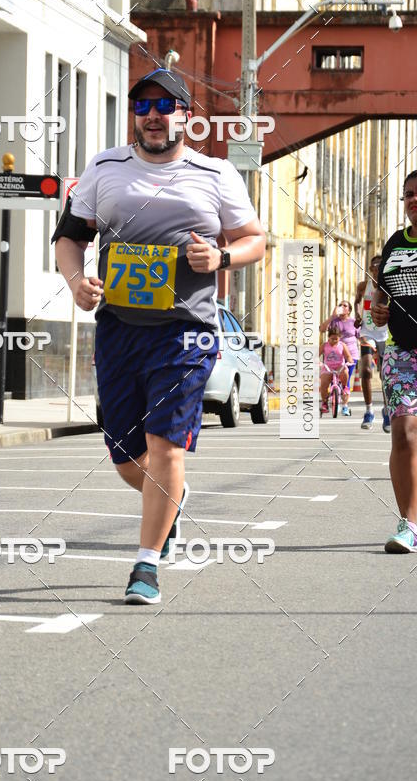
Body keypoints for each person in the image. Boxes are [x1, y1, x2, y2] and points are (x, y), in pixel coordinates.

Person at [52, 67, 266, 603]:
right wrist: (77, 281)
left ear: (185, 117)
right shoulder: (105, 168)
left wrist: (220, 256)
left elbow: (255, 239)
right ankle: (172, 498)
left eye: (166, 105)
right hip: (120, 329)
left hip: (187, 331)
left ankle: (146, 564)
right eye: (143, 106)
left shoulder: (216, 174)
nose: (153, 115)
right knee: (126, 456)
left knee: (164, 445)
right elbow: (69, 239)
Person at [371, 169, 417, 552]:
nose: (413, 200)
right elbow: (380, 296)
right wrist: (378, 312)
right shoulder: (394, 243)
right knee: (403, 433)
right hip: (401, 351)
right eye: (408, 195)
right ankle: (410, 525)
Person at [354, 254, 390, 431]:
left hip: (386, 334)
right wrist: (358, 315)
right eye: (373, 269)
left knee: (385, 375)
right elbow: (356, 302)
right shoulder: (363, 286)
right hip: (367, 332)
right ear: (370, 270)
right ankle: (369, 411)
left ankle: (386, 410)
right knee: (366, 370)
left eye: (379, 269)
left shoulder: (390, 285)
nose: (376, 273)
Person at [319, 300, 360, 415]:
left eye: (345, 305)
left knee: (345, 381)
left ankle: (345, 406)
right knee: (333, 379)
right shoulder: (334, 321)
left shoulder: (354, 322)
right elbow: (322, 329)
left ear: (349, 310)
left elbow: (360, 336)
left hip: (351, 355)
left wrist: (369, 347)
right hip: (333, 355)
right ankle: (334, 401)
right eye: (340, 305)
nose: (342, 307)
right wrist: (332, 316)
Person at [319, 324, 354, 415]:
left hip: (339, 367)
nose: (334, 341)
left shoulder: (342, 345)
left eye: (336, 339)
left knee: (345, 372)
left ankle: (345, 387)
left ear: (340, 338)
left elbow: (348, 356)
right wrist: (318, 362)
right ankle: (325, 403)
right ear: (328, 337)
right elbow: (316, 355)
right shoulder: (324, 346)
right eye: (332, 339)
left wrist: (349, 361)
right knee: (323, 384)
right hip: (328, 368)